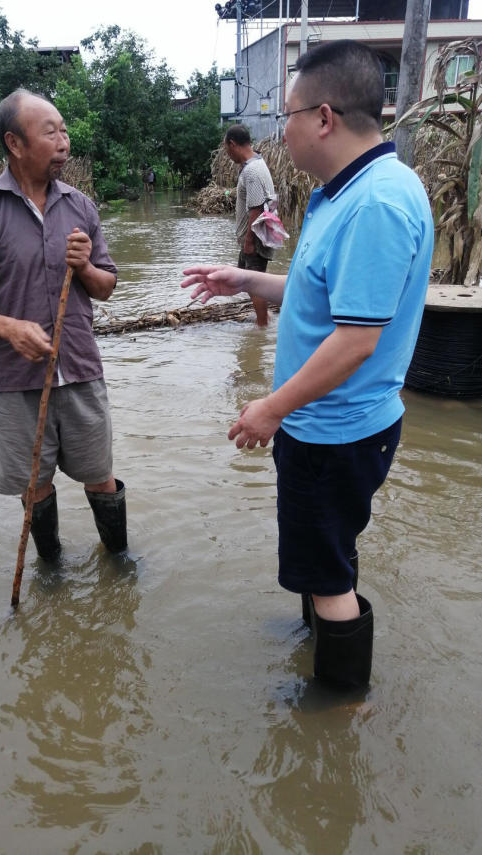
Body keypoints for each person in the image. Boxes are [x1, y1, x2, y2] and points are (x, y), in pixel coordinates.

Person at [182, 41, 433, 688]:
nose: (279, 132)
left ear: (323, 117)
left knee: (326, 569)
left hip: (334, 429)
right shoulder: (342, 192)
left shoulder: (375, 203)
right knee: (328, 555)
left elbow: (354, 341)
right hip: (325, 425)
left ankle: (339, 711)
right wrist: (246, 280)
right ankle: (315, 632)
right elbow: (322, 295)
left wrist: (270, 407)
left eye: (285, 115)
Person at [0, 88, 127, 560]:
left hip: (81, 369)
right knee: (35, 484)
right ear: (15, 144)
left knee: (100, 475)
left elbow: (106, 287)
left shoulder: (80, 207)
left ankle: (120, 563)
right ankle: (51, 568)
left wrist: (85, 268)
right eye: (51, 132)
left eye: (64, 130)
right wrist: (9, 329)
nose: (64, 141)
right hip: (17, 380)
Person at [224, 124, 276, 327]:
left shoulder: (252, 171)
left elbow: (256, 209)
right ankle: (265, 317)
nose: (228, 155)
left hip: (255, 238)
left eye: (227, 150)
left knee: (255, 284)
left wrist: (248, 243)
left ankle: (262, 325)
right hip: (256, 236)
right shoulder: (257, 162)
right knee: (247, 281)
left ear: (232, 144)